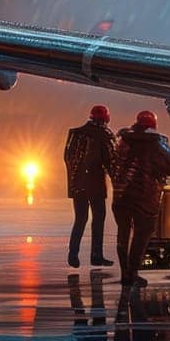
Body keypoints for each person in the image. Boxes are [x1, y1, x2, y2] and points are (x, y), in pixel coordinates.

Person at [110, 110, 170, 287]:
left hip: (121, 196)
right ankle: (133, 272)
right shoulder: (156, 143)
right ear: (153, 125)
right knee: (142, 234)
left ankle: (125, 273)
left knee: (123, 233)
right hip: (144, 197)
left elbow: (113, 163)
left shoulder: (123, 141)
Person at [63, 104, 117, 269]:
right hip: (96, 186)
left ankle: (73, 253)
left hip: (78, 185)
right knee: (98, 219)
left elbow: (68, 158)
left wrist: (74, 182)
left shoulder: (75, 134)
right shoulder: (105, 135)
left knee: (80, 219)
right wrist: (118, 180)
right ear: (105, 119)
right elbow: (110, 161)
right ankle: (96, 255)